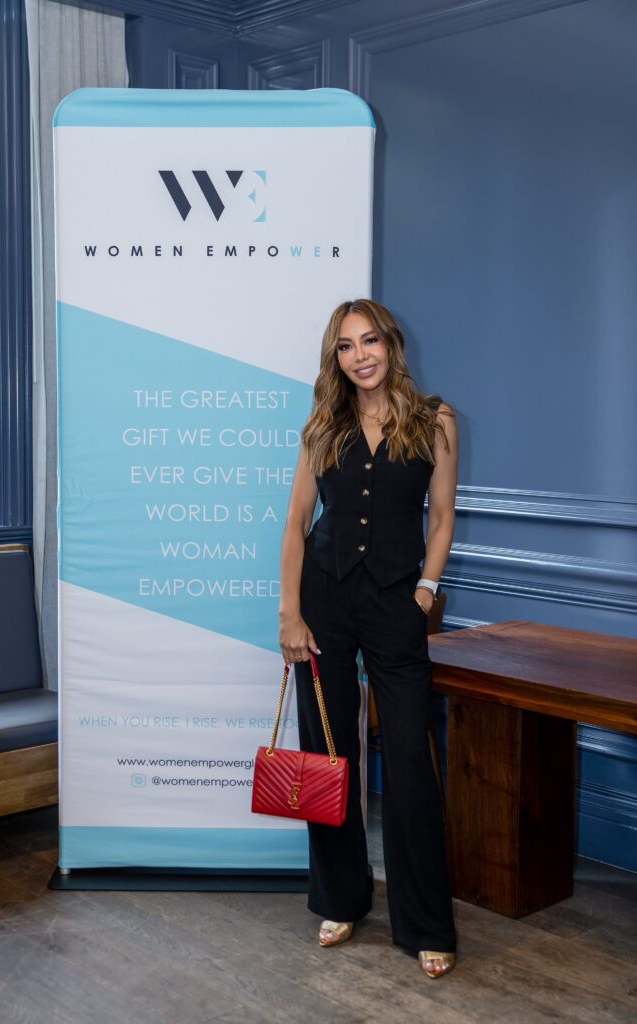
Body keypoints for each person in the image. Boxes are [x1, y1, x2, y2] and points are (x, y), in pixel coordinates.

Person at [278, 298, 458, 979]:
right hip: (323, 602)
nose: (361, 355)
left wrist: (424, 591)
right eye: (347, 345)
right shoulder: (322, 425)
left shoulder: (434, 419)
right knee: (327, 756)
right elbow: (297, 522)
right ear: (336, 357)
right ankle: (340, 898)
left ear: (391, 344)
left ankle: (425, 924)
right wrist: (290, 613)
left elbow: (441, 516)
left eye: (370, 340)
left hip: (395, 604)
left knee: (410, 760)